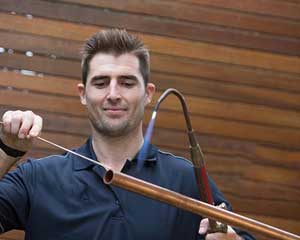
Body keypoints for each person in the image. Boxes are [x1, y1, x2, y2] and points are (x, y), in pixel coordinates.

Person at [0, 29, 255, 240]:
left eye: (127, 82)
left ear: (148, 93)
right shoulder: (37, 178)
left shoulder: (186, 180)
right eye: (100, 83)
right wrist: (7, 150)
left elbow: (238, 235)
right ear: (82, 93)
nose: (113, 94)